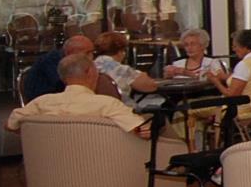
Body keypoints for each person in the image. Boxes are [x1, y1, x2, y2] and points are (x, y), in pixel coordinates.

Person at [8, 53, 152, 139]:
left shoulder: (41, 103)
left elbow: (10, 125)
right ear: (90, 73)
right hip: (107, 167)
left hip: (51, 172)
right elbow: (142, 132)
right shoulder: (108, 105)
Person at [21, 34, 92, 103]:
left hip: (58, 99)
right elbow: (64, 84)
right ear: (70, 52)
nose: (91, 57)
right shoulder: (51, 61)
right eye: (87, 53)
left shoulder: (66, 60)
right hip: (44, 102)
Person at [93, 31, 159, 98]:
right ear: (120, 52)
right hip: (118, 106)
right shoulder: (122, 70)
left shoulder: (89, 67)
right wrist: (142, 75)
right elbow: (151, 86)